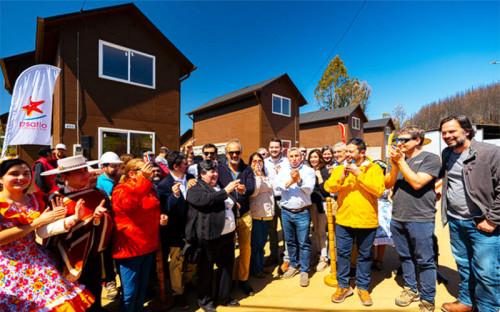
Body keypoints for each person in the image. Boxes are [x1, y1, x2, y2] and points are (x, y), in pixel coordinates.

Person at [0, 158, 94, 311]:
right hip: (8, 265)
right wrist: (36, 222)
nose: (22, 178)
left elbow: (42, 232)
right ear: (1, 178)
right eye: (14, 174)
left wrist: (73, 218)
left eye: (26, 174)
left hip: (38, 259)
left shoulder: (36, 199)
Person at [439, 115, 500, 312]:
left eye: (452, 131)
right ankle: (467, 301)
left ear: (466, 131)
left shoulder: (490, 153)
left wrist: (493, 219)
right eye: (444, 133)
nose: (447, 136)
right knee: (464, 266)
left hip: (482, 223)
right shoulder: (447, 153)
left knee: (487, 272)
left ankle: (487, 308)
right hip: (456, 221)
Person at [39, 155, 114, 312]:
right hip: (62, 256)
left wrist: (99, 218)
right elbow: (46, 232)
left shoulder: (98, 195)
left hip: (92, 254)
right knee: (68, 295)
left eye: (85, 170)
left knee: (93, 289)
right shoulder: (54, 198)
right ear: (65, 176)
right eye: (78, 172)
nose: (85, 175)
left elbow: (107, 225)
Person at [385, 126, 441, 312]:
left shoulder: (430, 158)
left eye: (404, 140)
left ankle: (427, 298)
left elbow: (417, 183)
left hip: (420, 218)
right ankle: (410, 289)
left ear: (417, 140)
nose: (399, 144)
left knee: (425, 259)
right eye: (397, 140)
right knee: (405, 257)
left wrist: (401, 162)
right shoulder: (397, 160)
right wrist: (394, 165)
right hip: (397, 216)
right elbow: (387, 184)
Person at [324, 138, 385, 306]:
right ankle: (343, 286)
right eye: (346, 151)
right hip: (344, 219)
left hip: (367, 220)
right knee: (343, 254)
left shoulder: (375, 169)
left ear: (362, 153)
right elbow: (329, 188)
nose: (347, 155)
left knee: (365, 256)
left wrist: (359, 174)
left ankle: (363, 288)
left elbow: (379, 190)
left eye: (350, 152)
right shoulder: (340, 168)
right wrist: (342, 177)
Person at [111, 158, 168, 312]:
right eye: (145, 169)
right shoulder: (121, 189)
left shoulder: (149, 188)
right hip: (130, 248)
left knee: (142, 289)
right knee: (130, 293)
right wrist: (144, 180)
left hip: (148, 244)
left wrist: (160, 217)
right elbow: (130, 204)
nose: (150, 172)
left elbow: (151, 208)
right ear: (132, 173)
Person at [185, 160, 241, 312]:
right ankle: (206, 301)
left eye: (216, 171)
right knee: (206, 270)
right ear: (202, 174)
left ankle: (223, 297)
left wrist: (233, 203)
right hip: (209, 237)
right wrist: (226, 192)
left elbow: (222, 200)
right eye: (211, 172)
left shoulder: (218, 186)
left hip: (227, 236)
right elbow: (206, 201)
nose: (215, 174)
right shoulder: (195, 189)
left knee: (226, 267)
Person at [157, 151, 197, 310]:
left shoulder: (191, 180)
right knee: (176, 263)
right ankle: (178, 292)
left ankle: (186, 282)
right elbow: (162, 210)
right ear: (175, 166)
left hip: (192, 229)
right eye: (185, 164)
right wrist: (173, 197)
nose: (188, 166)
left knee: (193, 259)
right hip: (175, 231)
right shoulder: (164, 185)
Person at [217, 139, 255, 296]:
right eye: (231, 152)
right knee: (229, 251)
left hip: (245, 215)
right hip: (228, 216)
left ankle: (243, 279)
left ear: (241, 152)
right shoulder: (219, 168)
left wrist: (244, 190)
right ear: (226, 153)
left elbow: (252, 188)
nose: (234, 155)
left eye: (237, 152)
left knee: (246, 249)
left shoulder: (247, 169)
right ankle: (230, 280)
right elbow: (215, 188)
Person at [275, 147, 316, 287]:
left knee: (303, 243)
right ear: (288, 157)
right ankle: (293, 265)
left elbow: (309, 189)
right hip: (286, 211)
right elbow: (277, 187)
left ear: (301, 157)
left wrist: (299, 180)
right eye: (291, 156)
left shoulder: (309, 171)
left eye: (296, 156)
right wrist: (291, 182)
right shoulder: (283, 170)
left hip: (302, 212)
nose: (294, 158)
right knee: (290, 241)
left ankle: (304, 270)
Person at [263, 138, 290, 271]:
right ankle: (274, 255)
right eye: (272, 147)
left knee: (286, 229)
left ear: (281, 149)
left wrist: (281, 174)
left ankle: (286, 258)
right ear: (269, 149)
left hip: (284, 198)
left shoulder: (287, 161)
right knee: (271, 229)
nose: (274, 149)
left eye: (276, 147)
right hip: (269, 199)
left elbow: (291, 178)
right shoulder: (264, 162)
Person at [248, 152, 274, 278]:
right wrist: (258, 177)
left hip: (267, 214)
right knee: (256, 244)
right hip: (256, 214)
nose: (257, 163)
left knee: (262, 243)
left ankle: (260, 265)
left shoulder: (266, 175)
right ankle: (255, 269)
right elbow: (253, 193)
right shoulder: (250, 176)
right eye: (254, 161)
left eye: (260, 161)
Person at [307, 149, 331, 272]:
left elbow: (326, 190)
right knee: (316, 231)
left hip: (322, 203)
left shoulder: (324, 170)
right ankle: (317, 254)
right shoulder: (308, 170)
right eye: (311, 157)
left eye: (315, 157)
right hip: (312, 204)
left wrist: (319, 176)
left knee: (322, 231)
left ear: (320, 158)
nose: (313, 159)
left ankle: (324, 258)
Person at [371, 160, 393, 271]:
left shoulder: (387, 180)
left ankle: (379, 260)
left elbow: (392, 194)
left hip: (384, 210)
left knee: (382, 237)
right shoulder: (370, 179)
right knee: (370, 237)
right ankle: (370, 259)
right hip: (371, 207)